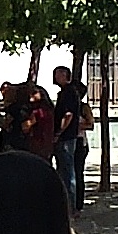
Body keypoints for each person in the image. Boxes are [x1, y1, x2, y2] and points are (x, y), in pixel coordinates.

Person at [52, 65, 91, 214]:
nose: (54, 77)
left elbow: (68, 115)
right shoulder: (65, 93)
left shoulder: (68, 93)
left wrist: (59, 132)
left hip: (67, 138)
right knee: (65, 171)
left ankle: (71, 206)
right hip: (68, 137)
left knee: (68, 172)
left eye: (57, 74)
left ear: (64, 75)